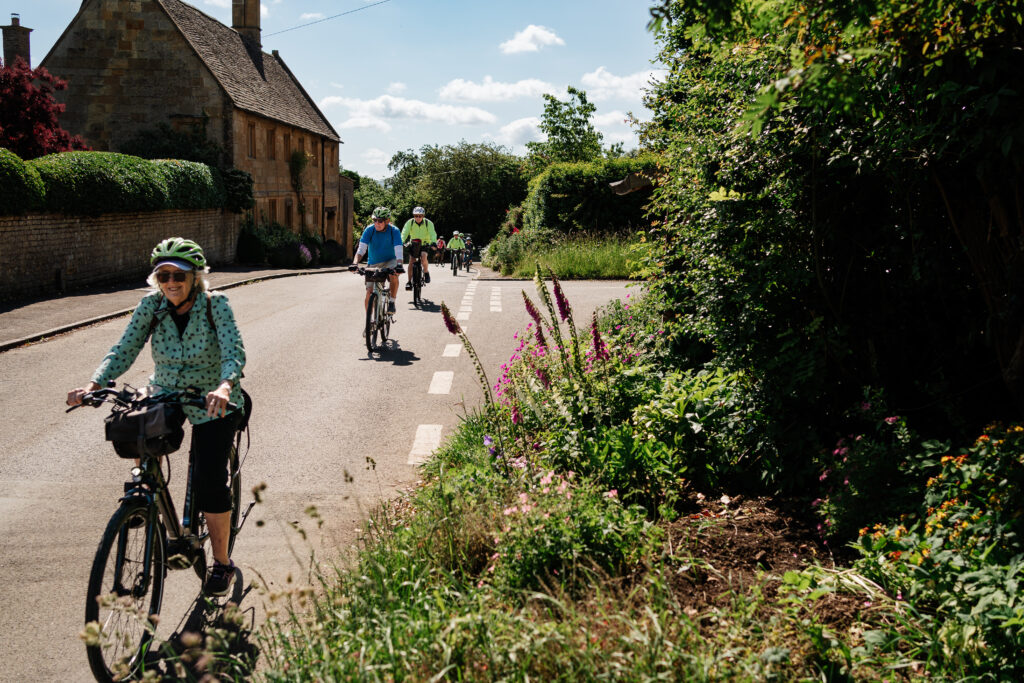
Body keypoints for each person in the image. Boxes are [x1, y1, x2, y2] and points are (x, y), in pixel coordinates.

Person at [66, 237, 246, 597]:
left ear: (195, 277)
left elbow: (234, 351)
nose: (171, 282)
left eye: (178, 275)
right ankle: (146, 496)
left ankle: (222, 563)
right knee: (134, 424)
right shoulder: (152, 306)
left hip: (212, 399)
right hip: (166, 390)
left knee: (209, 479)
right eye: (163, 276)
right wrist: (93, 384)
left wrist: (226, 385)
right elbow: (125, 347)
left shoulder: (216, 305)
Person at [353, 207, 404, 312]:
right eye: (374, 220)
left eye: (380, 221)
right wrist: (354, 264)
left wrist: (399, 265)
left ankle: (392, 302)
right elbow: (361, 250)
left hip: (390, 260)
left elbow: (398, 249)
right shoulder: (369, 230)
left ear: (387, 221)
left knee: (393, 275)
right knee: (369, 292)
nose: (377, 223)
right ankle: (369, 322)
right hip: (373, 263)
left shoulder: (394, 231)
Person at [401, 206, 438, 290]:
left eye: (420, 216)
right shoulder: (409, 223)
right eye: (416, 216)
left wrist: (433, 242)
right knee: (411, 261)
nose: (418, 218)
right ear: (414, 216)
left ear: (423, 216)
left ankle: (426, 272)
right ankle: (409, 282)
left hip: (425, 243)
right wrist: (401, 241)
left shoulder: (428, 223)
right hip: (414, 243)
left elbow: (433, 233)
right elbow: (404, 232)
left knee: (424, 256)